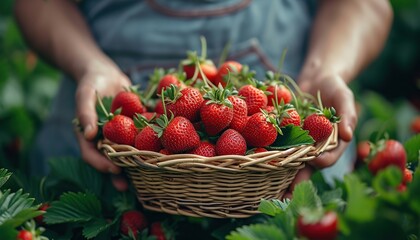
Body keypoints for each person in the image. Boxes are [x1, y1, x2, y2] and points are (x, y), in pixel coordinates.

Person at [14, 0, 393, 193]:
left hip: (290, 166)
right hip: (103, 143)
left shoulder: (254, 112)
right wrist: (89, 67)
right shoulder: (171, 119)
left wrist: (326, 71)